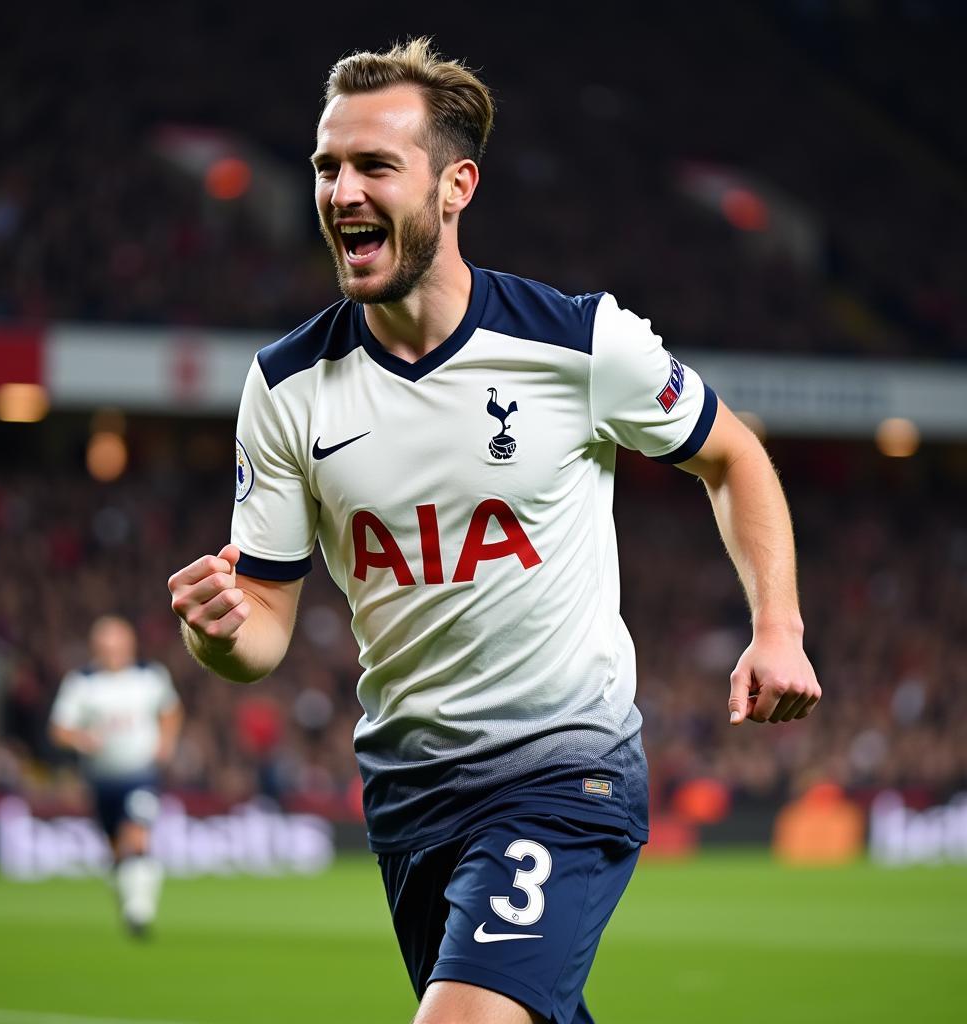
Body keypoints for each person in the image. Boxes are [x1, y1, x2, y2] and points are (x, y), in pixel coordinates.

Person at [168, 38, 821, 1023]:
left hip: (564, 766)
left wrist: (777, 626)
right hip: (407, 787)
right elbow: (260, 620)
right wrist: (215, 631)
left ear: (454, 185)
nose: (341, 190)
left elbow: (734, 454)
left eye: (374, 165)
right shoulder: (286, 384)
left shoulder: (578, 343)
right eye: (326, 166)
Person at [49, 615, 182, 937]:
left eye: (117, 644)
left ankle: (140, 911)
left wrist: (166, 744)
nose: (112, 651)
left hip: (140, 774)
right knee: (116, 848)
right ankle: (129, 893)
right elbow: (60, 729)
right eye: (106, 645)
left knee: (136, 833)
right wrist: (82, 739)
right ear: (96, 648)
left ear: (130, 645)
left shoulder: (150, 676)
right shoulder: (81, 682)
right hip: (101, 779)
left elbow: (170, 711)